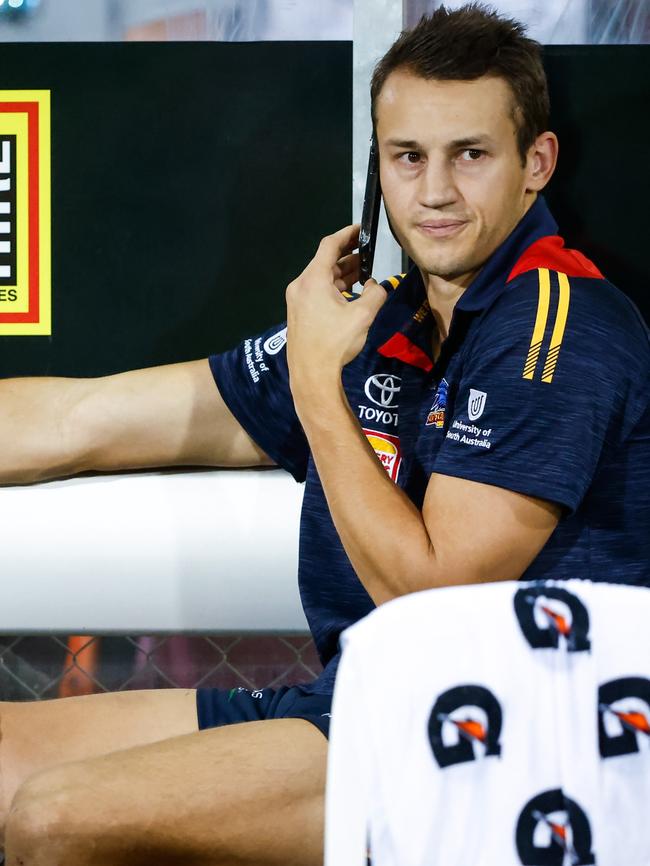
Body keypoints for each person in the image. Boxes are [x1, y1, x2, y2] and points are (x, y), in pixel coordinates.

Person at [1, 4, 648, 864]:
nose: (436, 192)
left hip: (501, 747)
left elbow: (430, 599)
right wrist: (321, 365)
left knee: (57, 817)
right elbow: (81, 422)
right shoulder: (380, 324)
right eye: (408, 157)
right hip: (356, 705)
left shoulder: (563, 323)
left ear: (537, 164)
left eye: (472, 155)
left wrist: (314, 384)